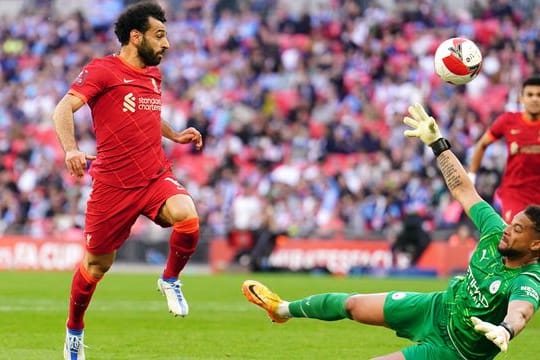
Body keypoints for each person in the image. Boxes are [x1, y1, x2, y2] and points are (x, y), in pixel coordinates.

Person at [242, 103, 540, 360]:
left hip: (452, 351)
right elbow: (464, 189)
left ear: (536, 245)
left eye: (517, 229)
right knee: (353, 304)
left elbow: (521, 311)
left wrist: (506, 329)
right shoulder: (493, 229)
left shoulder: (528, 279)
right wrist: (437, 143)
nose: (506, 230)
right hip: (436, 308)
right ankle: (280, 309)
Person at [52, 3, 203, 359]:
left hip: (154, 176)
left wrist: (175, 135)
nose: (167, 44)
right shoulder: (102, 70)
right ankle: (74, 331)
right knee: (95, 267)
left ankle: (169, 279)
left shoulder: (153, 74)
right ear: (136, 36)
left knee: (188, 216)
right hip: (113, 187)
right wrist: (71, 149)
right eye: (160, 35)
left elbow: (148, 113)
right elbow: (62, 109)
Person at [469, 76, 540, 223]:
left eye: (539, 95)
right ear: (521, 99)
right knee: (514, 236)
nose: (534, 99)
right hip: (515, 193)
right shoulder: (508, 121)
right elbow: (482, 144)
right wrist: (472, 176)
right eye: (530, 95)